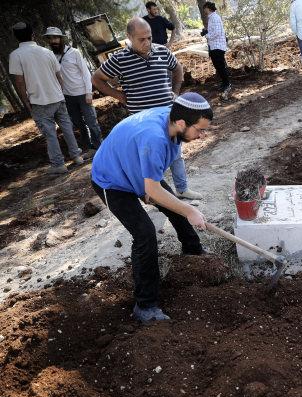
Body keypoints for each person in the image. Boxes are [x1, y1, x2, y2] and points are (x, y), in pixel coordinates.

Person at [90, 92, 212, 322]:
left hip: (135, 167)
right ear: (182, 123)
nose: (202, 135)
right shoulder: (154, 137)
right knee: (145, 233)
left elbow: (153, 188)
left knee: (175, 205)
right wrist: (190, 211)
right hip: (112, 178)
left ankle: (192, 250)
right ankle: (145, 305)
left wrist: (179, 206)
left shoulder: (172, 121)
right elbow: (153, 191)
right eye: (200, 130)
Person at [92, 17, 203, 200]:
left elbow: (178, 69)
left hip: (168, 116)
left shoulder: (162, 52)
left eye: (149, 38)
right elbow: (96, 79)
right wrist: (119, 96)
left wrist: (175, 92)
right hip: (142, 122)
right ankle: (151, 194)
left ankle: (182, 190)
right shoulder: (119, 59)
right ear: (129, 37)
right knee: (147, 159)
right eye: (141, 39)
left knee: (175, 153)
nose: (147, 43)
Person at [9, 22, 83, 175]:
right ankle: (76, 156)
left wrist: (25, 101)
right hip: (57, 97)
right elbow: (58, 75)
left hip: (39, 101)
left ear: (16, 37)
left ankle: (59, 164)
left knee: (50, 134)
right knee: (67, 128)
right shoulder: (46, 52)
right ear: (33, 35)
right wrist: (61, 91)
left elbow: (19, 81)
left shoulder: (15, 55)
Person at [44, 27, 103, 159]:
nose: (54, 41)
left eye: (56, 37)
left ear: (61, 38)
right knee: (78, 124)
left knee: (91, 121)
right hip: (67, 97)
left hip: (82, 93)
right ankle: (89, 148)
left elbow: (85, 73)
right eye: (51, 38)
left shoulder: (74, 52)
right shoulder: (51, 56)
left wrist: (89, 92)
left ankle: (99, 146)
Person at [202, 2, 232, 97]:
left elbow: (217, 33)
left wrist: (206, 35)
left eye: (205, 8)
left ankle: (227, 84)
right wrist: (206, 32)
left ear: (208, 8)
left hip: (218, 46)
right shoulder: (212, 18)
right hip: (214, 46)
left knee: (220, 66)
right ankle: (224, 83)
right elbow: (214, 31)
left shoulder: (214, 18)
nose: (204, 10)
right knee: (218, 66)